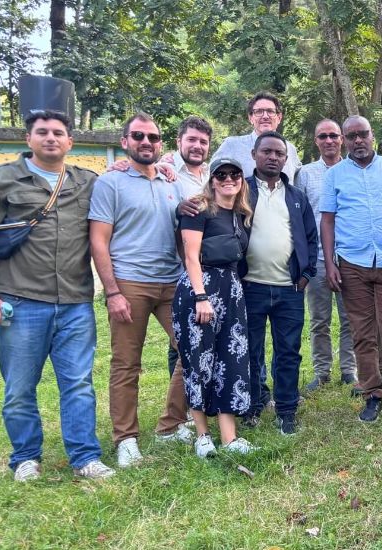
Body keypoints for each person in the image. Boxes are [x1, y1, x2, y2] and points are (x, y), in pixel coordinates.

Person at [0, 110, 115, 481]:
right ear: (28, 138)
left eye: (58, 133)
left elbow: (121, 192)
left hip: (76, 302)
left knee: (78, 384)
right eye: (42, 132)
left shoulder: (87, 182)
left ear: (70, 141)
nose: (51, 138)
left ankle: (85, 458)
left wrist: (156, 168)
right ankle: (26, 458)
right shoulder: (4, 180)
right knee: (19, 388)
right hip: (20, 300)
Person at [89, 112, 191, 468]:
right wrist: (113, 292)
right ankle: (126, 438)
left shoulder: (170, 182)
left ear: (161, 144)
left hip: (171, 282)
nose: (146, 142)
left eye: (152, 137)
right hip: (130, 283)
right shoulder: (110, 183)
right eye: (138, 136)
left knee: (191, 349)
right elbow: (98, 242)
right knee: (126, 364)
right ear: (125, 142)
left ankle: (170, 424)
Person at [321, 115, 382, 424]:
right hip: (352, 265)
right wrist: (330, 262)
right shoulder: (335, 175)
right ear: (344, 141)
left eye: (363, 134)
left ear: (372, 135)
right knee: (362, 334)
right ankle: (372, 395)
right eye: (351, 136)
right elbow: (327, 220)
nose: (358, 140)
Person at [173, 157, 257, 456]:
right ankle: (202, 435)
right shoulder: (198, 209)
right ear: (212, 180)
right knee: (199, 361)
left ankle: (229, 437)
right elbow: (191, 256)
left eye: (234, 174)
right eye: (221, 175)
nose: (228, 179)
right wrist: (200, 296)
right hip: (201, 290)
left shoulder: (240, 214)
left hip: (231, 290)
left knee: (230, 361)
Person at [238, 131, 318, 434]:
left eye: (279, 154)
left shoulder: (296, 197)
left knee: (288, 351)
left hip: (289, 289)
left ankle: (286, 410)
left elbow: (310, 238)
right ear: (255, 154)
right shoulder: (240, 190)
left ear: (286, 159)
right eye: (267, 152)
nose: (273, 157)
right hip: (250, 286)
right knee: (250, 350)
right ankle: (253, 404)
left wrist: (307, 274)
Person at [296, 119, 357, 393]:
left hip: (350, 257)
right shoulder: (305, 174)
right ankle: (321, 371)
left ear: (342, 139)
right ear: (316, 141)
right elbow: (300, 218)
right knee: (319, 319)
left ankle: (349, 370)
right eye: (323, 136)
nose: (329, 140)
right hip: (318, 259)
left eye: (334, 135)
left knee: (350, 318)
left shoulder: (353, 170)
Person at [164, 116, 214, 377]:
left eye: (203, 142)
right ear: (178, 141)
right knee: (181, 339)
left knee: (204, 333)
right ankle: (181, 408)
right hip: (179, 267)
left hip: (210, 266)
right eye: (191, 139)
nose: (197, 146)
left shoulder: (211, 174)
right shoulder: (166, 172)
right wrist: (177, 209)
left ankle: (203, 396)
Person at [213, 91, 301, 181]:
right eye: (259, 111)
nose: (265, 116)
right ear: (251, 118)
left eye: (270, 111)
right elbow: (210, 176)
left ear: (279, 118)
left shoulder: (290, 149)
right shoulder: (232, 145)